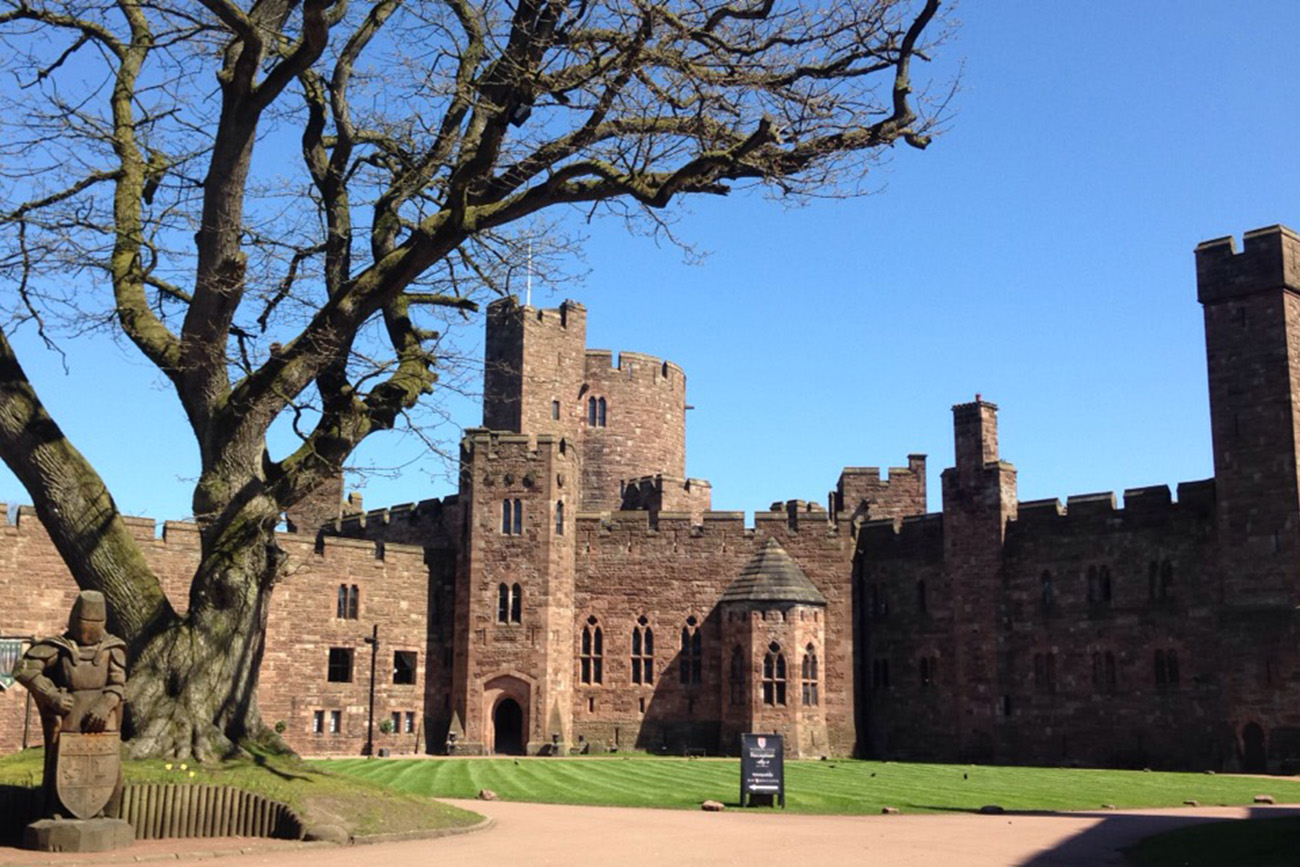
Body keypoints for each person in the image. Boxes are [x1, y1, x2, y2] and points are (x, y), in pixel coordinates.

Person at [15, 590, 127, 817]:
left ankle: (104, 812)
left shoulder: (112, 649)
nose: (87, 629)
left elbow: (118, 685)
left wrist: (105, 706)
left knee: (108, 769)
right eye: (83, 622)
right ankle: (57, 810)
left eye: (93, 623)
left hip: (101, 717)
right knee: (61, 764)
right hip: (68, 713)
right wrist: (51, 695)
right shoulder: (60, 647)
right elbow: (24, 669)